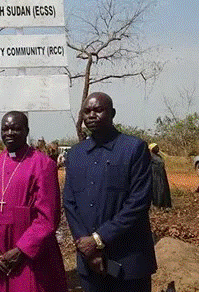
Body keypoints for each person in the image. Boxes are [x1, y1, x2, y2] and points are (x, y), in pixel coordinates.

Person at [63, 92, 157, 292]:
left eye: (98, 110)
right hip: (90, 263)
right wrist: (86, 248)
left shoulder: (134, 149)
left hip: (128, 261)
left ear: (112, 113)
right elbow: (70, 203)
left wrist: (98, 239)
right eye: (87, 111)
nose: (91, 115)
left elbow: (138, 202)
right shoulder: (75, 154)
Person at [0, 111, 67, 292]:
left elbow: (48, 217)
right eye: (5, 129)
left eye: (15, 128)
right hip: (0, 256)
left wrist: (22, 250)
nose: (9, 133)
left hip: (31, 256)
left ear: (26, 131)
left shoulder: (42, 164)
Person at [149, 143, 172, 208]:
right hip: (155, 176)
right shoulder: (150, 156)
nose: (157, 149)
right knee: (157, 190)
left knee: (163, 189)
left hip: (162, 175)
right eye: (155, 148)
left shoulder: (158, 156)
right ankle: (157, 204)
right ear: (151, 149)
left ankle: (165, 204)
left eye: (157, 147)